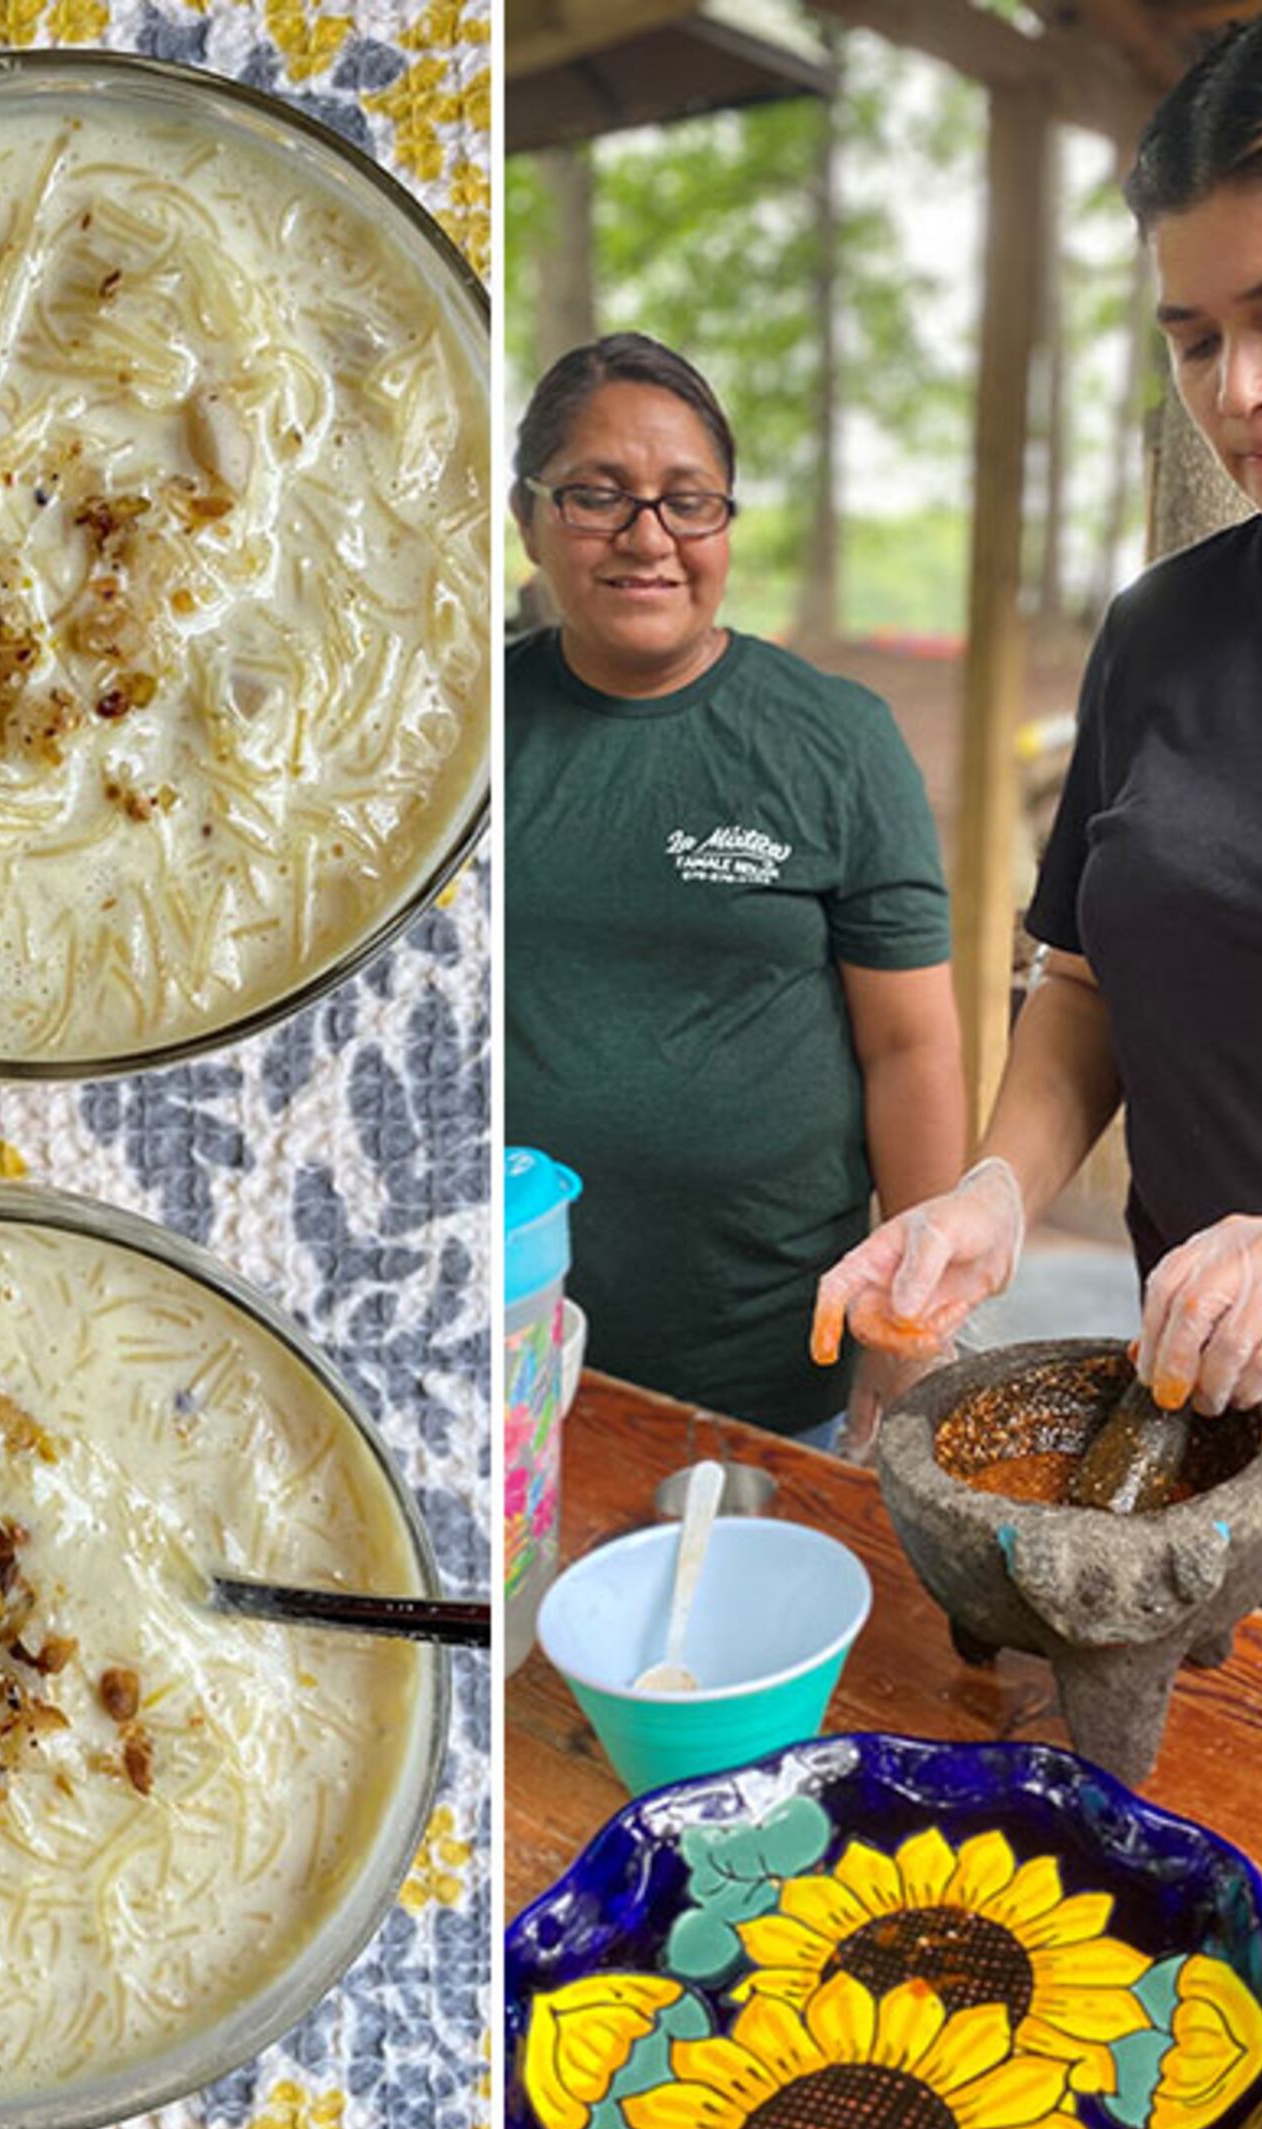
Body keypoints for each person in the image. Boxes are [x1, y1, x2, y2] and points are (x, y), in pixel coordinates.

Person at [815, 0, 1262, 1669]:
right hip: (1203, 1431)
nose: (1237, 391)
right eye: (1191, 338)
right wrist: (993, 1197)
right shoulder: (1163, 631)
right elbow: (1093, 973)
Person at [506, 333, 966, 1449]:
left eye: (687, 502)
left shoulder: (838, 742)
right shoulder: (462, 724)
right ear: (528, 520)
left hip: (779, 1361)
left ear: (724, 528)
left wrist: (907, 1330)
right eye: (597, 498)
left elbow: (911, 1050)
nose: (646, 538)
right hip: (511, 1351)